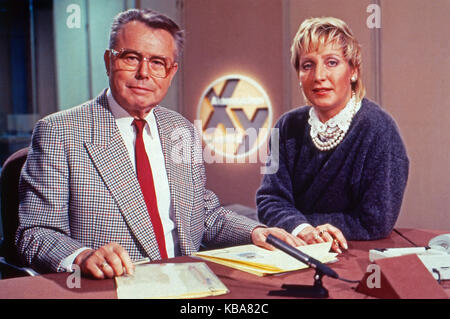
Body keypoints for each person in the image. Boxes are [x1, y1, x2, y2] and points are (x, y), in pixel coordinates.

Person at [16, 8, 302, 279]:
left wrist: (257, 232)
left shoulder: (181, 129)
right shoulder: (60, 132)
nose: (144, 73)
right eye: (130, 58)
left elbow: (204, 215)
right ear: (108, 61)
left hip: (191, 282)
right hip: (116, 287)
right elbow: (35, 233)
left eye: (157, 63)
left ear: (171, 71)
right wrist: (81, 256)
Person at [256, 17, 409, 253]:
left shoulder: (379, 130)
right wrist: (304, 229)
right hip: (295, 250)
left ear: (354, 71)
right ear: (298, 75)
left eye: (332, 62)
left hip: (355, 255)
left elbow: (376, 221)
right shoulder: (286, 126)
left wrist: (304, 225)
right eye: (308, 65)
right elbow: (270, 200)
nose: (319, 76)